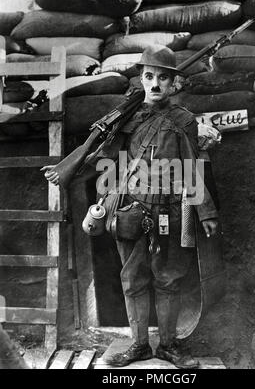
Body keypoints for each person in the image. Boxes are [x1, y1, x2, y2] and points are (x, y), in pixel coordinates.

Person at [42, 45, 220, 368]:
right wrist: (72, 170)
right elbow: (103, 156)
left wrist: (205, 211)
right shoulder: (127, 117)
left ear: (174, 84)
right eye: (149, 76)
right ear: (141, 78)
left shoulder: (184, 121)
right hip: (132, 211)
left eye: (163, 78)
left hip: (170, 213)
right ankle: (139, 345)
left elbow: (192, 168)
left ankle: (167, 346)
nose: (155, 84)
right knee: (133, 279)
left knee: (169, 279)